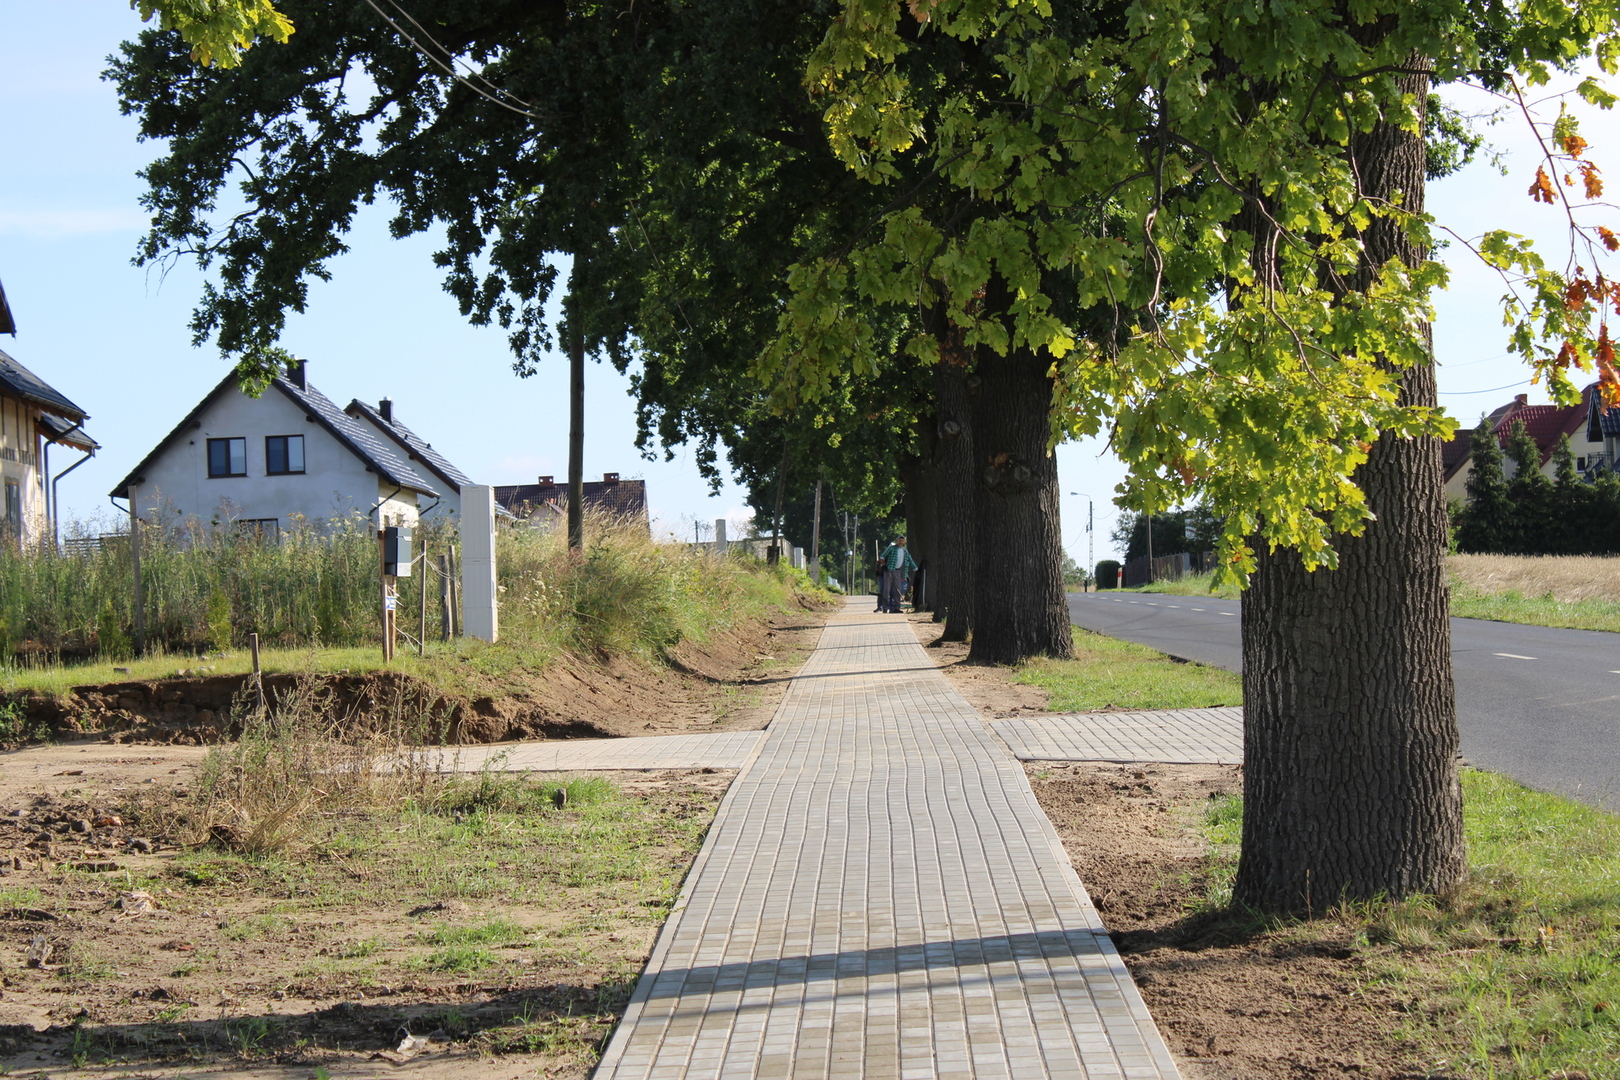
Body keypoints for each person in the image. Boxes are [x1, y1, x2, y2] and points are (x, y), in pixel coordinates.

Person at [876, 535, 917, 613]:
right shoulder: (892, 548)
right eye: (899, 540)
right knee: (886, 589)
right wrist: (884, 565)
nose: (901, 542)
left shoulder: (904, 551)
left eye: (902, 540)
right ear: (897, 541)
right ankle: (885, 607)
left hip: (897, 571)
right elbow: (882, 556)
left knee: (897, 590)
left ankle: (896, 607)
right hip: (889, 570)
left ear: (904, 542)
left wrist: (915, 568)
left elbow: (910, 560)